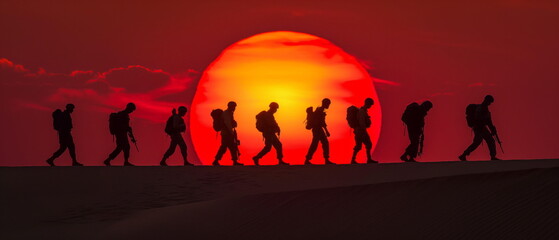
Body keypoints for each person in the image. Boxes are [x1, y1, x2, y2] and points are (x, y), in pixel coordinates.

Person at [459, 95, 500, 161]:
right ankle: (493, 156)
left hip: (479, 128)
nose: (489, 103)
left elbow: (488, 122)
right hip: (480, 128)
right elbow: (486, 121)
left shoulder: (482, 108)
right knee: (490, 141)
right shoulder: (482, 109)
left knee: (477, 142)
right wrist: (491, 129)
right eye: (489, 102)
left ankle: (464, 155)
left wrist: (492, 129)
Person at [305, 98, 332, 164]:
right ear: (325, 103)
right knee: (315, 144)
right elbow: (322, 122)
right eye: (328, 104)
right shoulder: (320, 111)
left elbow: (322, 122)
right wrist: (326, 131)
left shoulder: (320, 110)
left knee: (324, 143)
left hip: (318, 129)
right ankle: (307, 159)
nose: (328, 105)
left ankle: (326, 159)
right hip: (317, 129)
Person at [213, 101, 241, 166]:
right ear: (230, 106)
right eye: (233, 106)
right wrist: (231, 132)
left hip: (227, 133)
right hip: (227, 134)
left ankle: (217, 160)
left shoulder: (229, 113)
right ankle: (216, 160)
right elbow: (227, 123)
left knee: (229, 147)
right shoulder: (226, 113)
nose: (234, 108)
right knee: (228, 147)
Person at [351, 98, 377, 164]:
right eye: (370, 104)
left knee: (358, 146)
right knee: (368, 144)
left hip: (358, 131)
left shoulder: (363, 111)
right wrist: (364, 130)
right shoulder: (362, 112)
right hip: (361, 131)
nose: (370, 106)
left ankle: (353, 159)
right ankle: (368, 159)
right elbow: (361, 122)